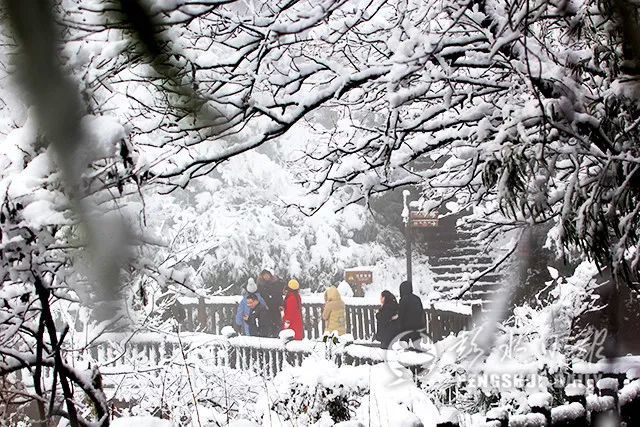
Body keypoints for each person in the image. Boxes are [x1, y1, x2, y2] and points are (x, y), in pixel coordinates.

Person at [257, 270, 284, 337]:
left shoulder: (276, 283)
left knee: (277, 323)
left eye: (267, 275)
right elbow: (259, 296)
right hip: (265, 308)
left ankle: (277, 336)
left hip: (275, 306)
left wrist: (281, 304)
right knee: (266, 324)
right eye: (264, 275)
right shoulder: (260, 285)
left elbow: (279, 294)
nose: (266, 277)